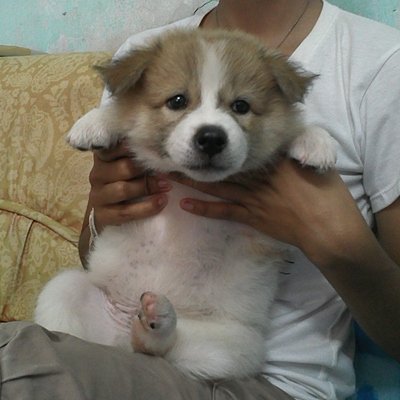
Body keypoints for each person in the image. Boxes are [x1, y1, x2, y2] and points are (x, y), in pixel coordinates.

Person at [1, 1, 399, 399]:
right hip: (109, 330)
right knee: (62, 295)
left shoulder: (379, 64)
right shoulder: (149, 51)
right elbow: (92, 250)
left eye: (239, 106)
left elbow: (287, 124)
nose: (209, 128)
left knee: (19, 362)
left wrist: (334, 236)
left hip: (240, 371)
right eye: (178, 102)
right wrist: (105, 206)